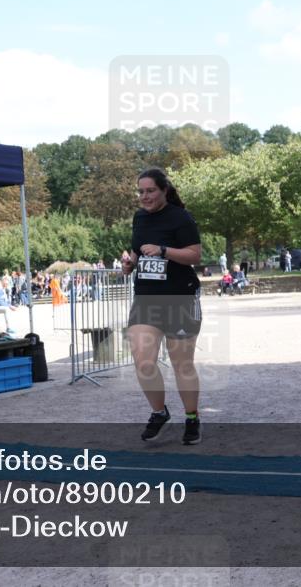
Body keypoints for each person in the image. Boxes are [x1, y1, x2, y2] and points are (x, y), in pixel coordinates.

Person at [121, 168, 203, 445]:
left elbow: (195, 255)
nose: (145, 196)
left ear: (164, 190)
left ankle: (192, 419)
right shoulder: (139, 218)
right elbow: (136, 253)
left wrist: (164, 250)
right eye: (141, 191)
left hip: (179, 297)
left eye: (150, 190)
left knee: (182, 364)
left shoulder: (181, 217)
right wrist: (128, 265)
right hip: (146, 298)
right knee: (143, 361)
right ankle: (159, 412)